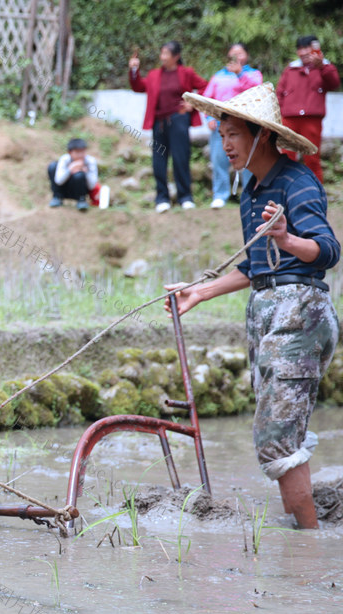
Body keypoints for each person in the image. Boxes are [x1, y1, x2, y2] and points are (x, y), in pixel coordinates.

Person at [170, 83, 338, 529]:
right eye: (221, 135)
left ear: (262, 135)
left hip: (299, 314)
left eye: (234, 135)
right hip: (266, 314)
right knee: (277, 429)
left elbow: (327, 251)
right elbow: (256, 264)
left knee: (277, 436)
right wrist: (200, 291)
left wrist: (287, 238)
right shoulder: (251, 190)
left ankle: (309, 547)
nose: (225, 145)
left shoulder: (297, 182)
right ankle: (304, 535)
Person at [128, 41, 208, 213]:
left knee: (181, 158)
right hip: (159, 123)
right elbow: (139, 87)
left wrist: (193, 103)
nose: (162, 57)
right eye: (162, 53)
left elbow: (205, 86)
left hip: (179, 120)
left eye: (166, 54)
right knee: (159, 161)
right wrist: (134, 70)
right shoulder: (154, 75)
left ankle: (185, 197)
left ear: (176, 56)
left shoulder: (186, 73)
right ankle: (162, 198)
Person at [201, 43, 262, 208]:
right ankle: (220, 195)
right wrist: (209, 118)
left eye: (240, 53)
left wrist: (240, 73)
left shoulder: (253, 74)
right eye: (233, 53)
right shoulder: (218, 76)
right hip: (221, 125)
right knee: (219, 159)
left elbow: (257, 91)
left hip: (245, 125)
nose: (236, 56)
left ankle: (250, 194)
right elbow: (208, 98)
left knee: (248, 160)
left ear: (246, 55)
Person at [276, 35, 340, 183]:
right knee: (287, 157)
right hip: (289, 118)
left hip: (312, 119)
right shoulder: (290, 69)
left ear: (315, 50)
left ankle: (315, 191)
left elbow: (334, 83)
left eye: (307, 48)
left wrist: (322, 66)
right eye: (300, 49)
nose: (304, 52)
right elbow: (279, 93)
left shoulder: (325, 68)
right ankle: (287, 189)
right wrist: (279, 114)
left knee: (312, 158)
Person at [48, 138, 99, 211]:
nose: (80, 155)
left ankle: (81, 200)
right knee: (53, 167)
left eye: (82, 152)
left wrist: (86, 172)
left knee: (79, 175)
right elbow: (58, 181)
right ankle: (57, 197)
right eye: (77, 152)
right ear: (70, 152)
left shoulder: (90, 161)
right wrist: (70, 170)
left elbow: (92, 186)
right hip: (64, 187)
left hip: (81, 189)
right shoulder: (64, 159)